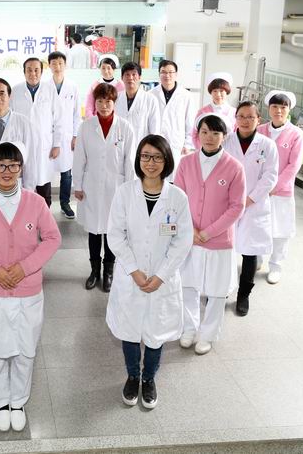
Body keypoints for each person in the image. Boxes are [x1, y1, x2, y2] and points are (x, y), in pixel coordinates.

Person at [0, 141, 61, 433]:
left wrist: (24, 268)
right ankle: (1, 402)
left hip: (27, 289)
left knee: (25, 350)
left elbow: (52, 238)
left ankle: (18, 402)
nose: (7, 171)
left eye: (13, 165)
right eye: (1, 165)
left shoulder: (35, 203)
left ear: (21, 168)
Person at [106, 134, 193, 410]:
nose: (151, 162)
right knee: (130, 330)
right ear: (138, 159)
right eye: (145, 156)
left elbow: (183, 240)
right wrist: (134, 271)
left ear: (167, 161)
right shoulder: (124, 193)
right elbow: (115, 235)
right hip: (130, 277)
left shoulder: (177, 197)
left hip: (161, 279)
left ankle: (149, 378)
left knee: (157, 332)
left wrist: (161, 276)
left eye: (157, 157)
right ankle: (133, 376)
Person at [174, 114, 246, 355]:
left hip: (219, 241)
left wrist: (208, 232)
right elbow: (178, 198)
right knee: (188, 285)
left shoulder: (234, 167)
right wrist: (191, 230)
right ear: (198, 134)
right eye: (204, 132)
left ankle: (208, 334)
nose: (209, 137)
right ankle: (189, 328)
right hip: (190, 238)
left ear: (224, 136)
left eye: (216, 133)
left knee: (216, 291)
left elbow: (236, 207)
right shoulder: (186, 163)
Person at [73, 83, 136, 293]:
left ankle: (109, 272)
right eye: (99, 101)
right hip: (90, 186)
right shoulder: (86, 126)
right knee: (93, 230)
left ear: (114, 102)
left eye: (108, 101)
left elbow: (130, 161)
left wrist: (130, 190)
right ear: (95, 103)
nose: (104, 105)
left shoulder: (125, 127)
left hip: (116, 188)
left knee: (112, 231)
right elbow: (79, 158)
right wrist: (77, 185)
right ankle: (94, 271)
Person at [223, 102, 279, 316]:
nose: (245, 121)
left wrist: (249, 199)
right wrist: (232, 199)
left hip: (254, 205)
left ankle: (243, 295)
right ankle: (220, 290)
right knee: (224, 251)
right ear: (235, 118)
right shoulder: (226, 141)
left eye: (250, 117)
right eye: (241, 116)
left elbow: (270, 176)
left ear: (259, 119)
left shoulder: (267, 145)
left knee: (250, 252)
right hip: (227, 204)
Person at [258, 90, 303, 284]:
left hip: (281, 191)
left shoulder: (296, 134)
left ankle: (276, 266)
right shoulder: (260, 130)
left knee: (281, 230)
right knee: (258, 226)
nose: (278, 110)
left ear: (289, 109)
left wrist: (273, 187)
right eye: (275, 106)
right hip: (259, 190)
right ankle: (256, 260)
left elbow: (293, 166)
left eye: (283, 107)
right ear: (268, 108)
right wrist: (260, 187)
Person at [10, 57, 63, 207]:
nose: (33, 74)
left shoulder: (50, 89)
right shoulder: (15, 91)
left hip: (44, 145)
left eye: (36, 70)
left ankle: (45, 214)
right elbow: (11, 120)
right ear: (24, 72)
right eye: (29, 70)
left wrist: (57, 144)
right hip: (22, 145)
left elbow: (58, 119)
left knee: (43, 182)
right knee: (24, 184)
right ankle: (25, 215)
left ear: (41, 72)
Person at [48, 51, 81, 219]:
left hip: (67, 136)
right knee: (45, 172)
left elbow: (77, 114)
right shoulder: (45, 86)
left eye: (60, 63)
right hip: (48, 136)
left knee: (67, 172)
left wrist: (75, 135)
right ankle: (44, 204)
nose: (57, 66)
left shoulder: (72, 86)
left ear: (65, 65)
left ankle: (65, 203)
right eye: (54, 63)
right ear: (49, 66)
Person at [149, 60, 195, 177]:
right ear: (159, 74)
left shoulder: (186, 96)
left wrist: (188, 144)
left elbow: (190, 122)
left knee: (175, 177)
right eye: (163, 72)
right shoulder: (150, 95)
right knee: (156, 176)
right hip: (156, 142)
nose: (167, 75)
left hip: (177, 144)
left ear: (176, 74)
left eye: (170, 72)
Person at [115, 62, 160, 163]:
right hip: (119, 150)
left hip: (141, 150)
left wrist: (151, 150)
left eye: (134, 74)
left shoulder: (150, 99)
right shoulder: (116, 98)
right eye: (127, 74)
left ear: (139, 77)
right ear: (122, 78)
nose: (130, 78)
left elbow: (155, 129)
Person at [191, 72, 236, 151]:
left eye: (221, 91)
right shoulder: (202, 112)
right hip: (206, 152)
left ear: (227, 92)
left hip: (228, 152)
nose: (218, 94)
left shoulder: (234, 112)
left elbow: (236, 135)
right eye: (215, 91)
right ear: (211, 92)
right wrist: (203, 150)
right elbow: (195, 134)